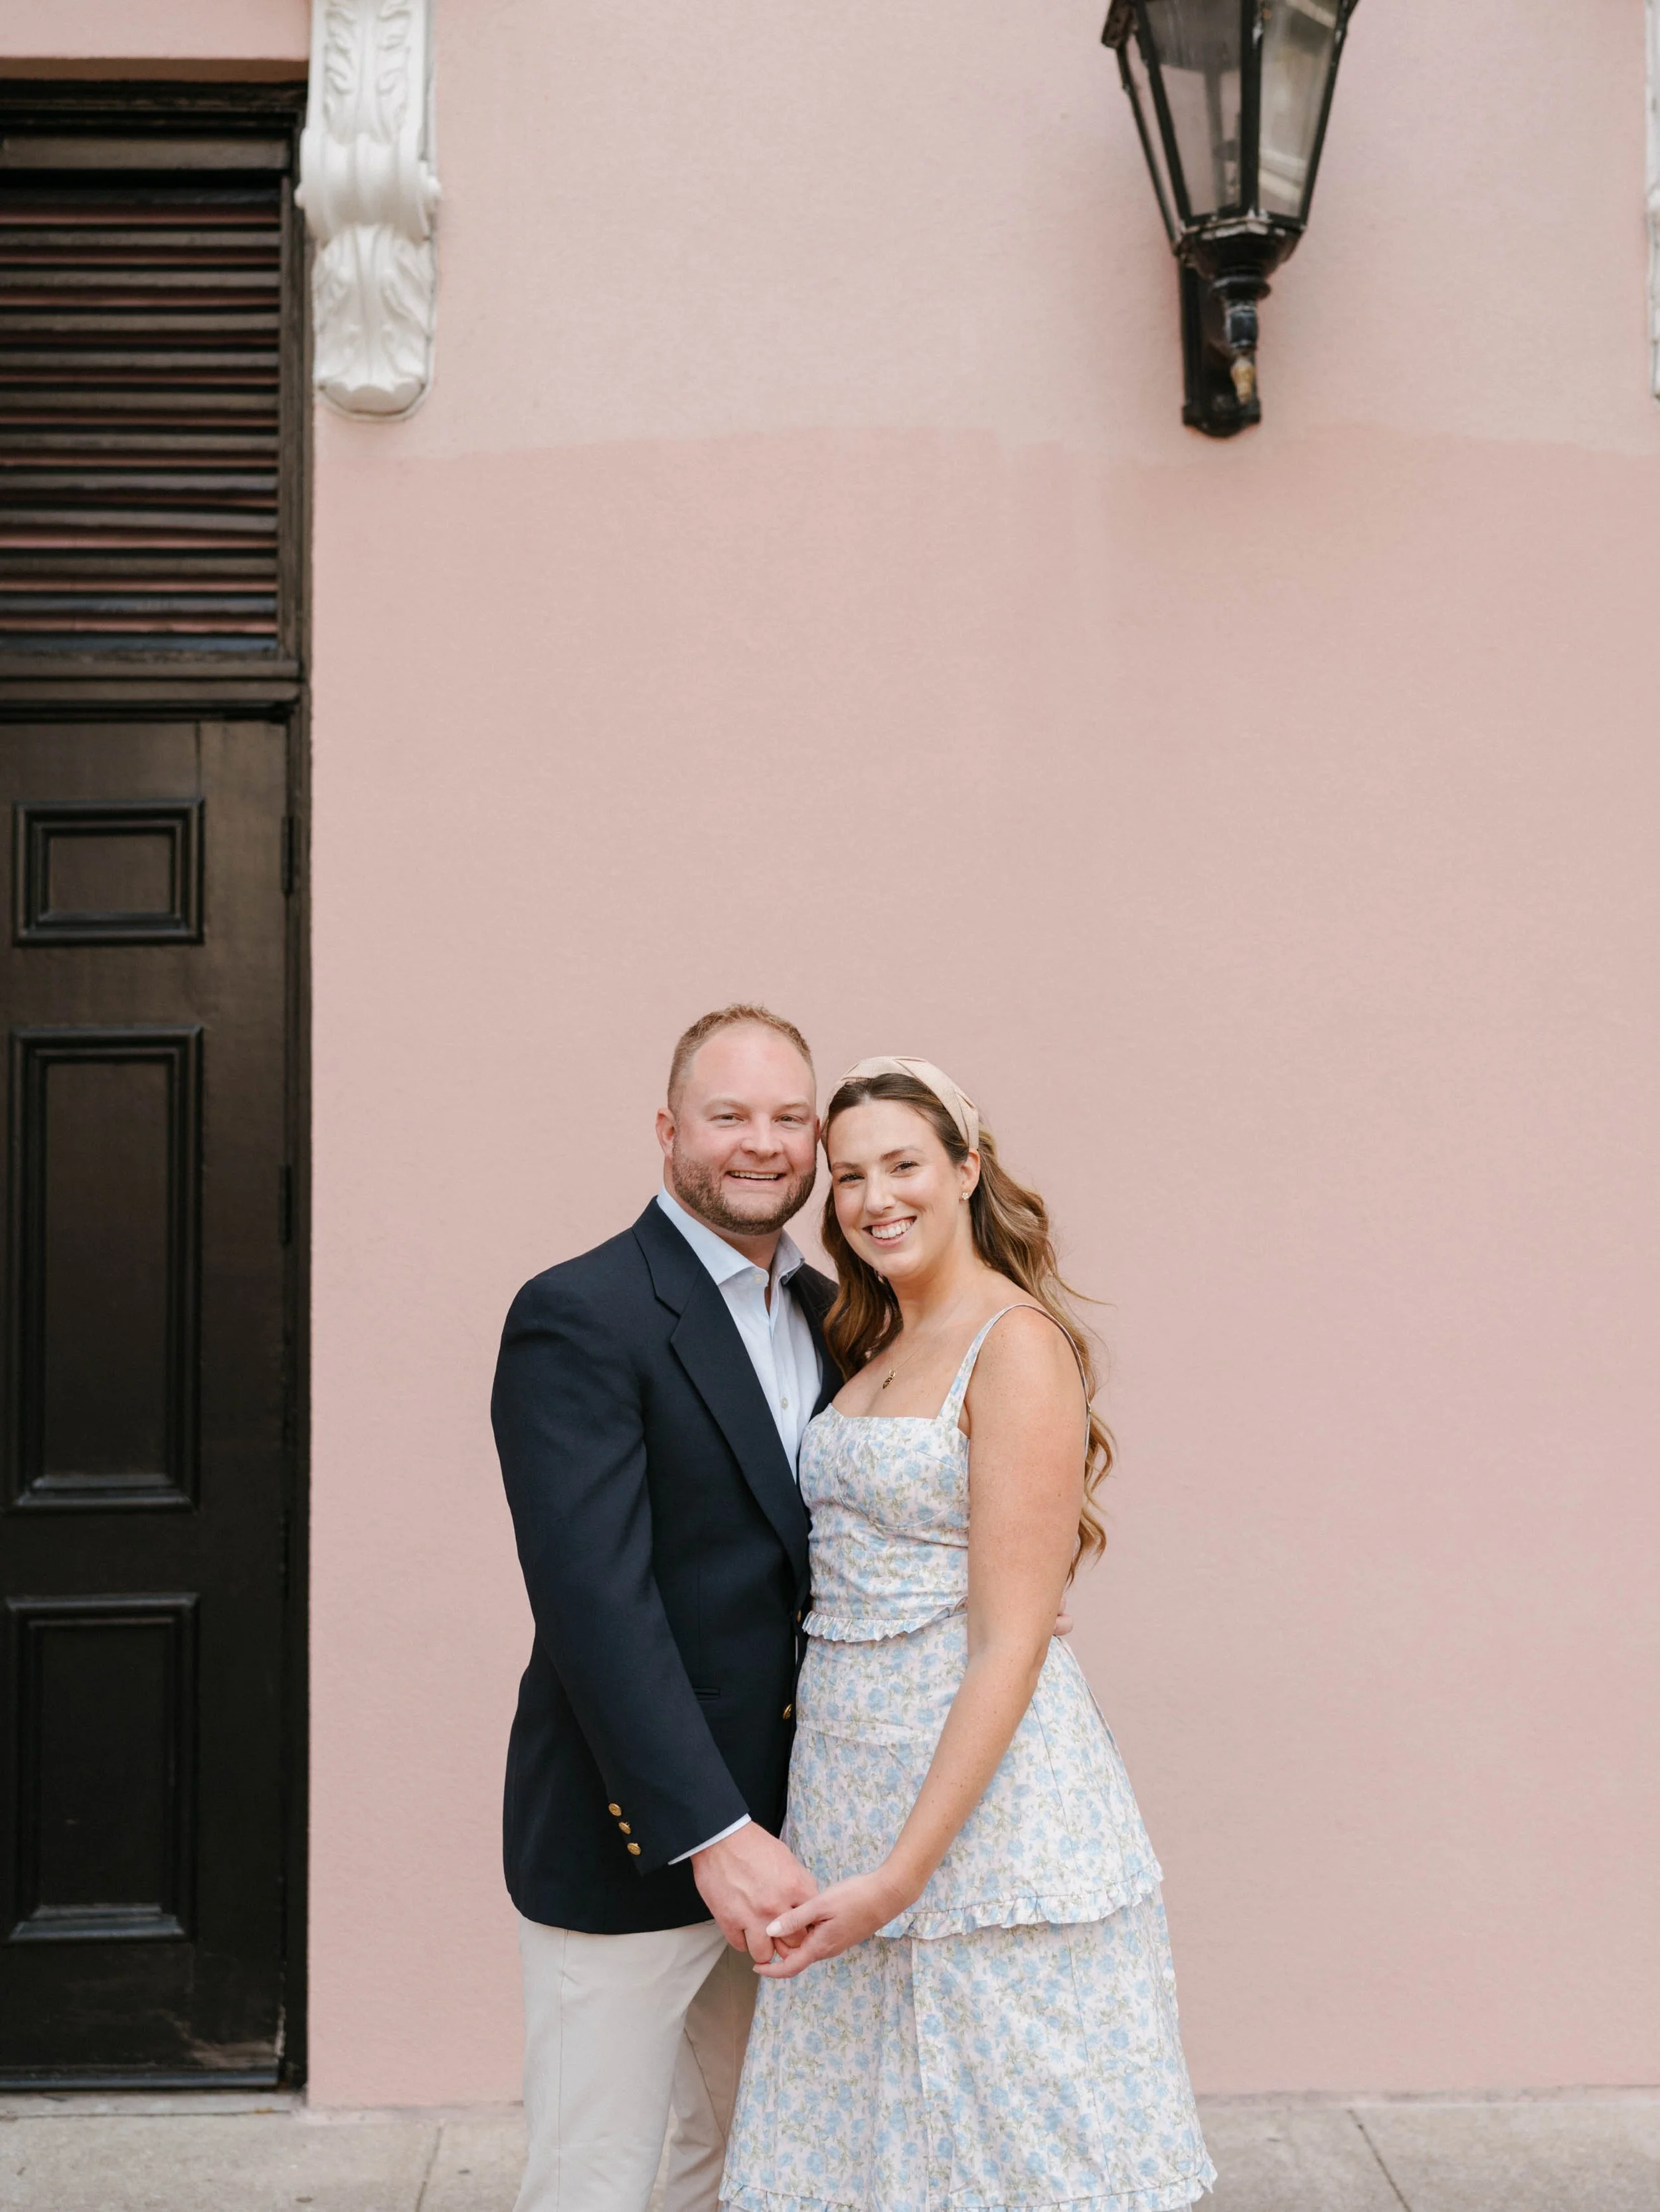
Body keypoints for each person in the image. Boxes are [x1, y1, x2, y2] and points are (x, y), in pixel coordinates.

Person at [722, 1057, 1214, 2212]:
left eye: (903, 1164)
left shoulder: (1017, 1346)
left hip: (982, 1826)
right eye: (848, 1176)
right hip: (845, 1788)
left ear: (965, 1169)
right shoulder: (868, 1333)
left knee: (1010, 2156)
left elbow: (1010, 1640)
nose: (873, 1197)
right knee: (865, 2158)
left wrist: (899, 1880)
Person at [490, 1005, 839, 2212]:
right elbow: (596, 1601)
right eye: (730, 1114)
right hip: (633, 1842)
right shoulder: (581, 1312)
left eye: (790, 1117)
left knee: (754, 2170)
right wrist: (709, 1831)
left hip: (807, 1847)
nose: (763, 1143)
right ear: (668, 1129)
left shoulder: (833, 1312)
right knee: (595, 2180)